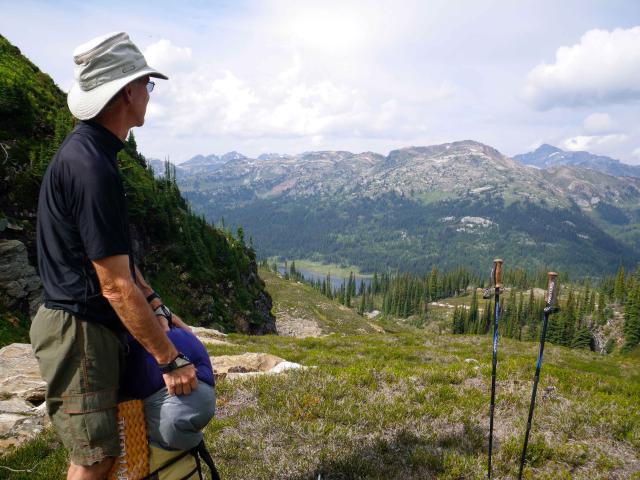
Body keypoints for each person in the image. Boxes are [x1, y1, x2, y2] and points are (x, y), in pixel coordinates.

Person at [30, 32, 197, 480]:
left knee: (108, 449)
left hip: (87, 327)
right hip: (80, 330)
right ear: (126, 91)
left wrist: (157, 304)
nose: (149, 94)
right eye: (147, 84)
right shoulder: (91, 167)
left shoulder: (91, 153)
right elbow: (114, 285)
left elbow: (114, 258)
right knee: (95, 457)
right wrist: (169, 360)